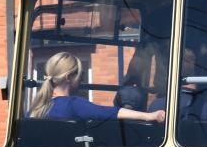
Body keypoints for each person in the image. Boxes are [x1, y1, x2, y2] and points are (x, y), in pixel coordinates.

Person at [28, 52, 165, 123]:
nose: (82, 80)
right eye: (80, 75)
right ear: (69, 77)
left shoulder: (34, 111)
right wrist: (149, 116)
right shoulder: (73, 105)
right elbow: (113, 112)